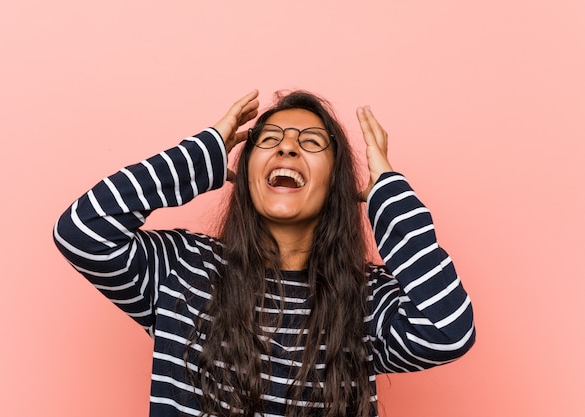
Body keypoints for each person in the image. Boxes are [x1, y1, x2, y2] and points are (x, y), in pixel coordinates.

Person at [54, 89, 475, 417]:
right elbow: (81, 232)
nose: (287, 147)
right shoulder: (181, 270)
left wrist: (388, 192)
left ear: (338, 183)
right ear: (244, 172)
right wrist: (201, 156)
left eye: (311, 142)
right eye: (268, 139)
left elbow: (448, 331)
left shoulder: (366, 300)